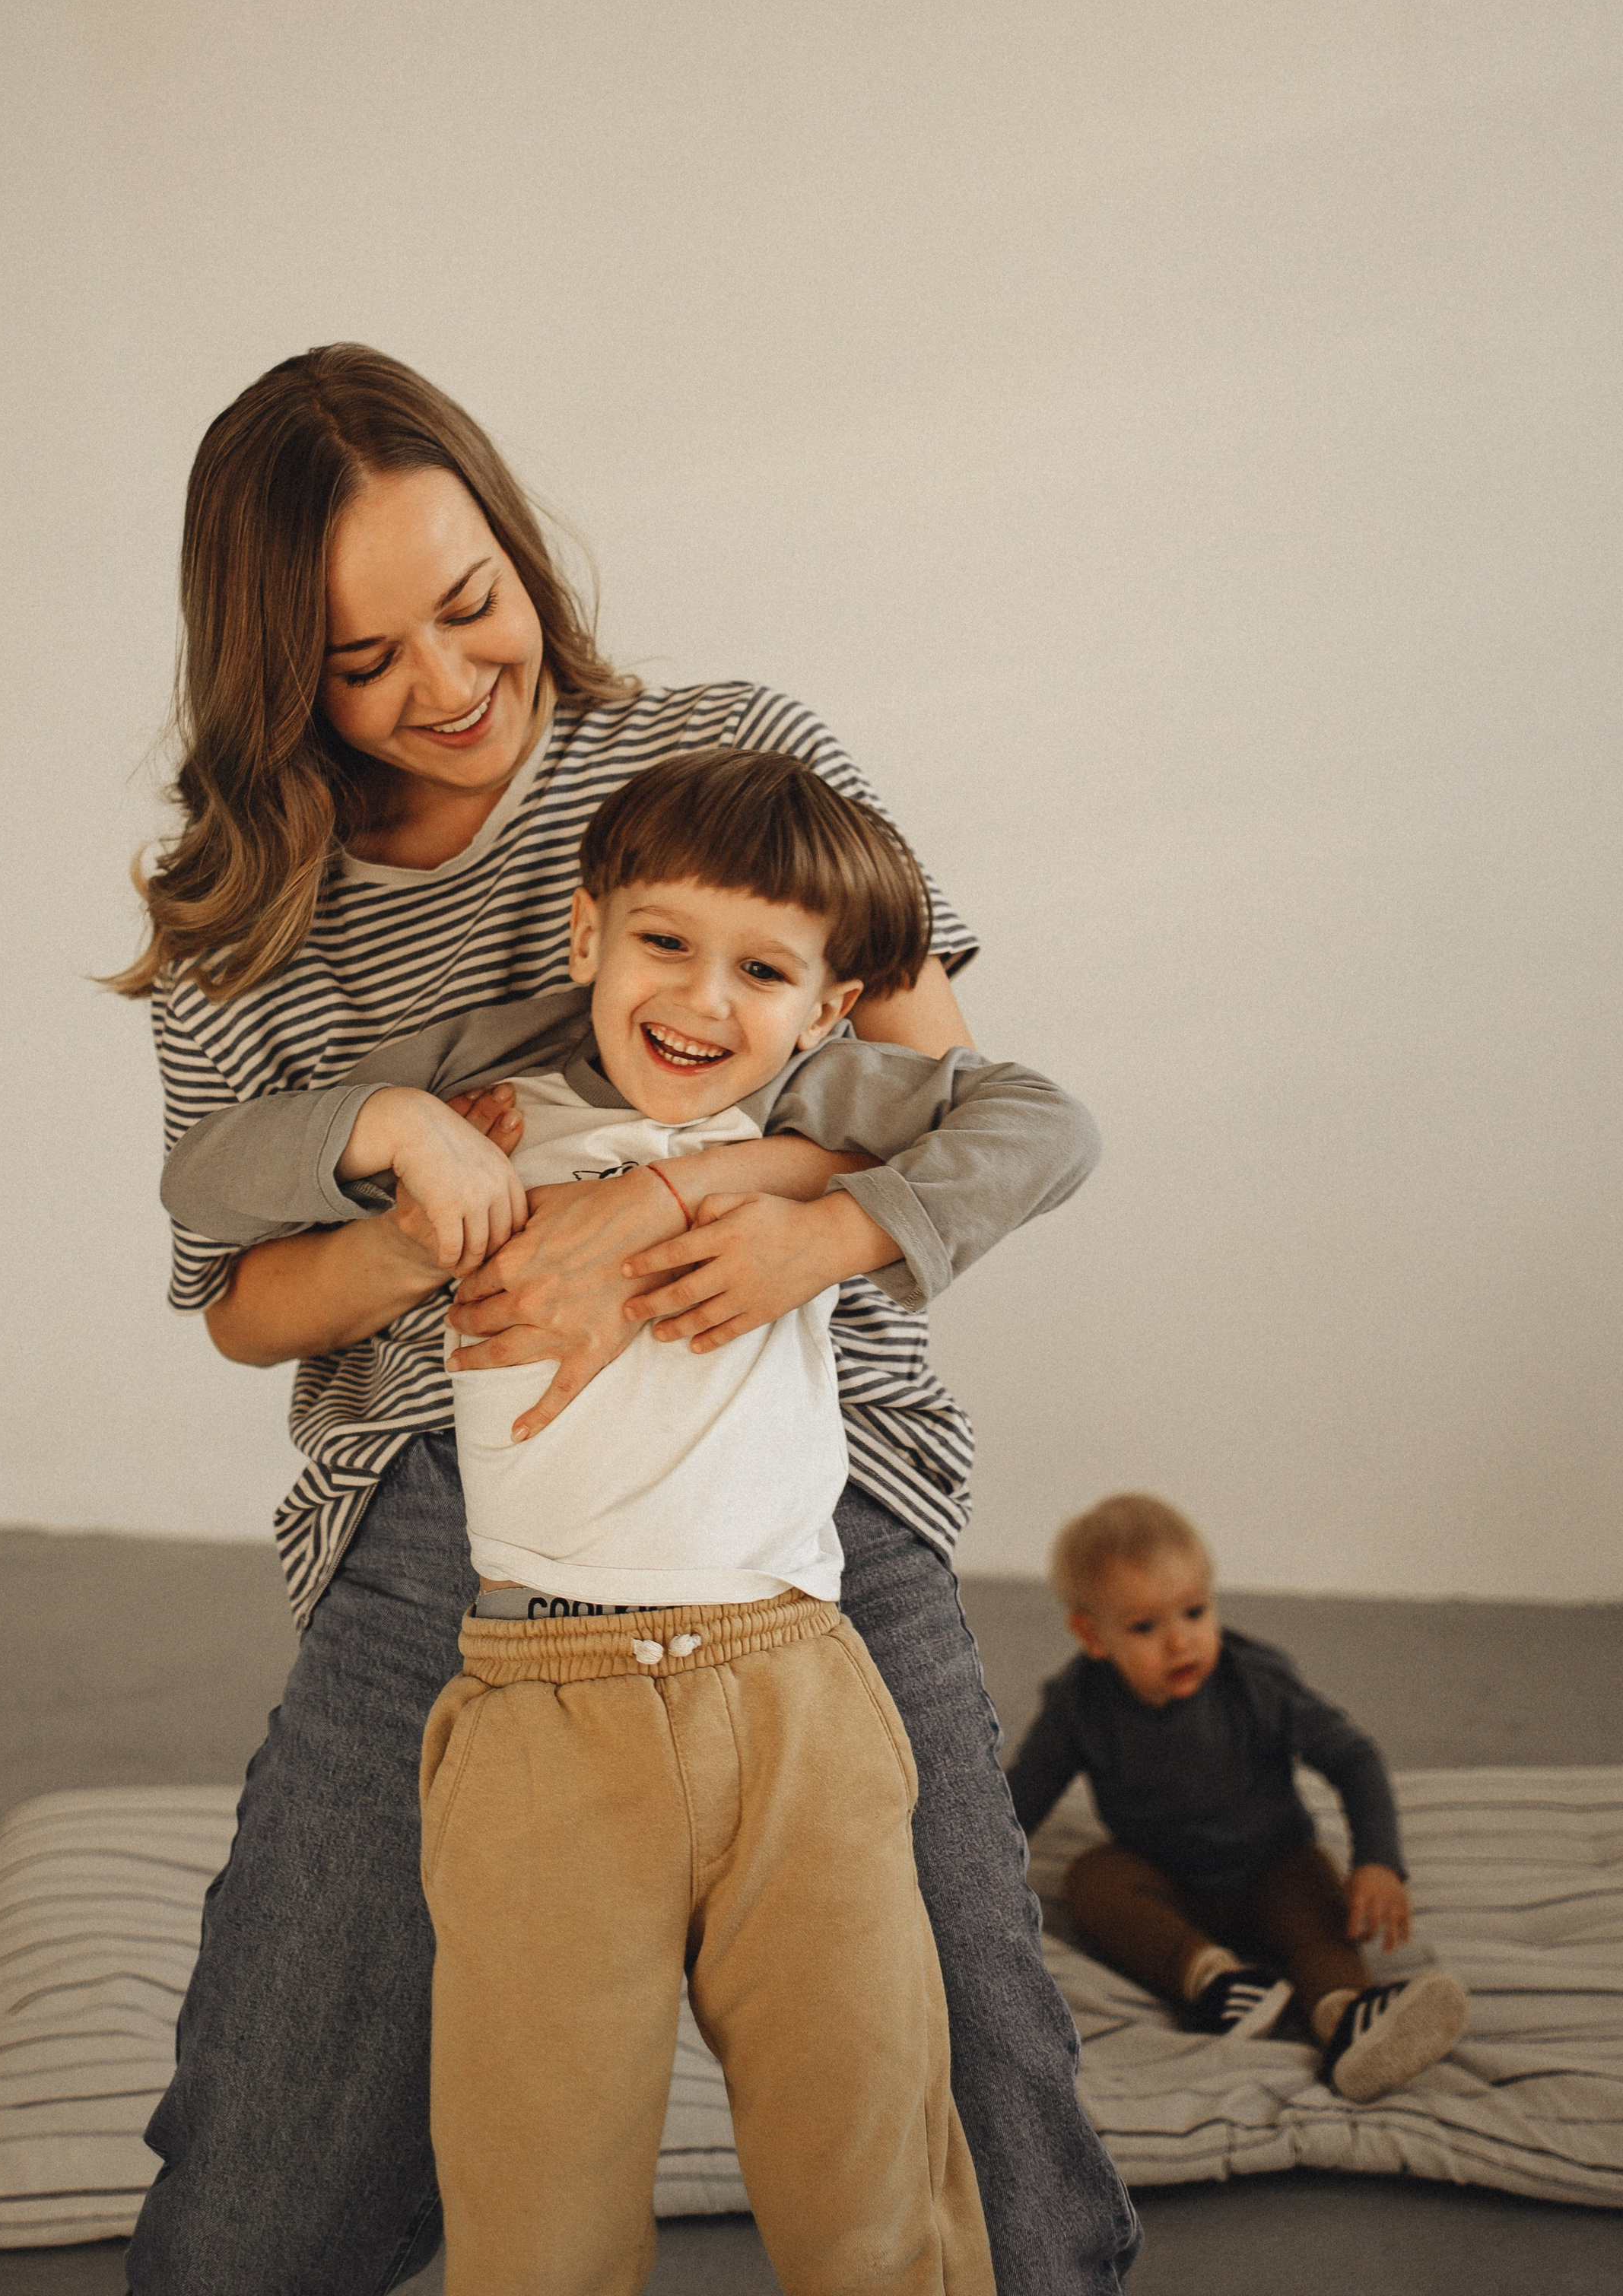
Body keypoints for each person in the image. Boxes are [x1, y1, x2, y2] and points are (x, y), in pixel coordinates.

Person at [114, 343, 1139, 2294]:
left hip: (802, 1476)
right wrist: (431, 1199)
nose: (443, 681)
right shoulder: (243, 914)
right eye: (358, 658)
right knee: (245, 2223)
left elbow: (947, 1092)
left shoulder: (731, 748)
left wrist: (717, 1214)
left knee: (984, 2161)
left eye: (469, 599)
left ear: (517, 541)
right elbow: (242, 1297)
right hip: (454, 1510)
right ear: (271, 672)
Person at [170, 745, 1027, 2291]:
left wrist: (804, 1223)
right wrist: (394, 1131)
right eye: (663, 945)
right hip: (539, 1704)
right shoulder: (489, 1093)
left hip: (792, 1693)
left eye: (761, 970)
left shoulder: (821, 1112)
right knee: (533, 2180)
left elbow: (1045, 1125)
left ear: (829, 1007)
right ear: (585, 935)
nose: (702, 1003)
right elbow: (210, 1176)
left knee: (868, 2163)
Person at [1005, 1494, 1469, 2102]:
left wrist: (1379, 1859)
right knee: (1093, 1879)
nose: (1180, 1643)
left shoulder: (1256, 1683)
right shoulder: (1077, 1705)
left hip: (1272, 1862)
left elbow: (1354, 1757)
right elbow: (1022, 1797)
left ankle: (1348, 2017)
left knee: (1316, 1913)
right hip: (1166, 1878)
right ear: (1092, 1635)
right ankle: (1217, 1979)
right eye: (1146, 1627)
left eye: (1194, 1613)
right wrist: (966, 1867)